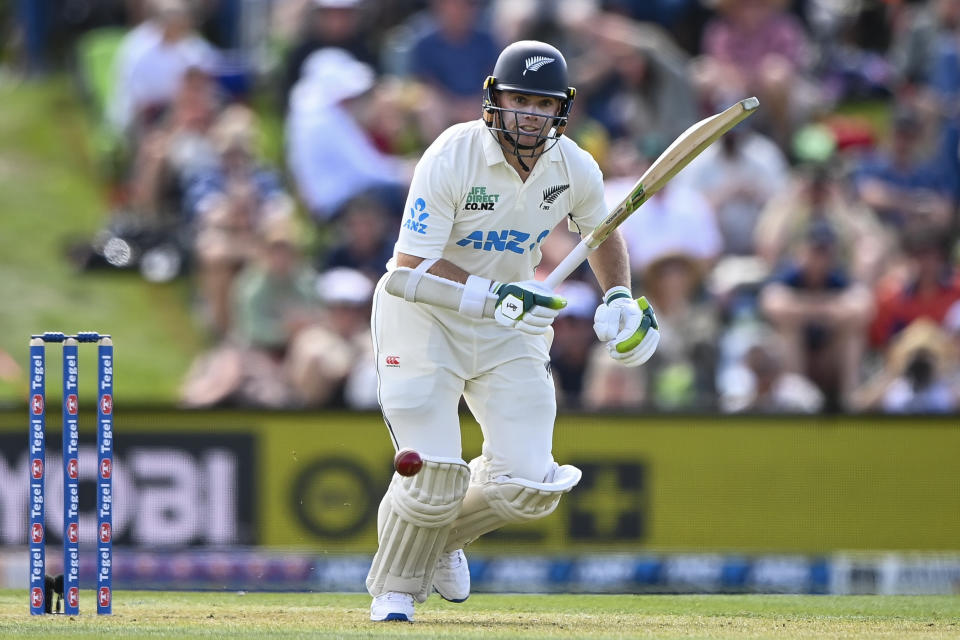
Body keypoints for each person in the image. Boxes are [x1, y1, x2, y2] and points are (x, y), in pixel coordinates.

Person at [364, 40, 660, 622]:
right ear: (494, 101)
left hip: (510, 327)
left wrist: (619, 294)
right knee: (433, 479)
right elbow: (408, 269)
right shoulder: (451, 154)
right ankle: (395, 592)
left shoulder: (574, 166)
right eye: (518, 100)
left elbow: (601, 232)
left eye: (541, 104)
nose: (529, 114)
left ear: (560, 110)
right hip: (425, 320)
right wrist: (492, 294)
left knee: (530, 487)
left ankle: (443, 539)